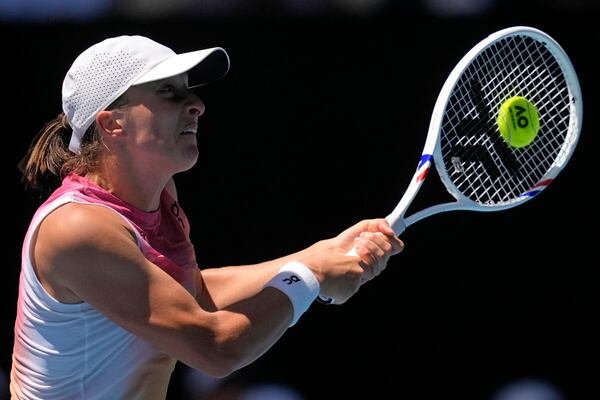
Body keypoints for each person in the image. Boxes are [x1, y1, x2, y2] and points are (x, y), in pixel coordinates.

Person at [10, 35, 403, 399]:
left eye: (188, 90)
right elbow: (214, 349)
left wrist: (320, 253)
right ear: (113, 123)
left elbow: (193, 295)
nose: (196, 104)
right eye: (169, 91)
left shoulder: (160, 198)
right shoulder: (78, 228)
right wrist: (310, 278)